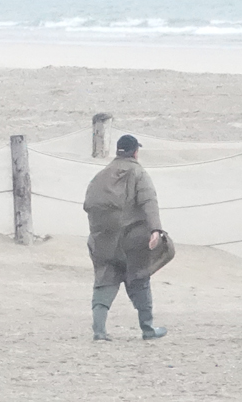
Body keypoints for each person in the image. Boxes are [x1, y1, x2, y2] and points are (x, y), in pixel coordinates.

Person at [82, 134, 167, 341]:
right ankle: (147, 329)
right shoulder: (139, 173)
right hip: (132, 240)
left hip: (103, 240)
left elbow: (89, 206)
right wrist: (156, 229)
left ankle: (99, 330)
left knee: (104, 282)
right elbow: (149, 202)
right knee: (140, 281)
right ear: (135, 152)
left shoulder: (101, 175)